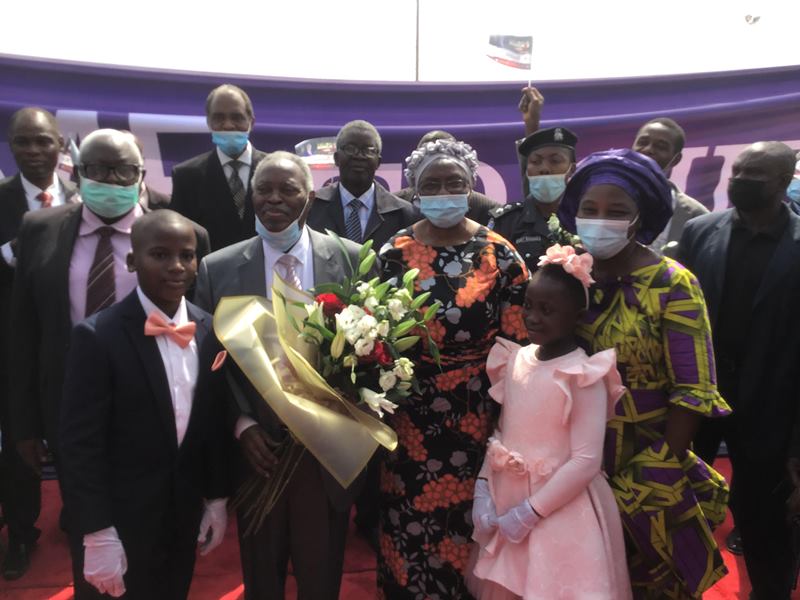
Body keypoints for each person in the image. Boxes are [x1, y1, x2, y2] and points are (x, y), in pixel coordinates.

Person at [8, 129, 210, 522]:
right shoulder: (39, 229)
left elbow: (199, 331)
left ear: (140, 175)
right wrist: (24, 424)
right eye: (98, 169)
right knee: (88, 520)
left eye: (123, 170)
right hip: (70, 402)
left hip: (158, 403)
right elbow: (23, 331)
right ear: (79, 172)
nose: (111, 180)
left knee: (155, 523)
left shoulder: (184, 234)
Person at [557, 148, 731, 599]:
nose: (600, 220)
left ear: (641, 217)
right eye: (589, 210)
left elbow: (694, 390)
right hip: (569, 458)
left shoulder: (673, 284)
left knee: (646, 580)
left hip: (647, 459)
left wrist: (656, 472)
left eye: (617, 212)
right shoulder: (567, 274)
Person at [194, 151, 366, 600]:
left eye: (286, 189)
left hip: (324, 452)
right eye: (263, 189)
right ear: (250, 196)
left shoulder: (351, 259)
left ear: (309, 196)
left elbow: (366, 353)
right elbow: (211, 365)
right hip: (258, 454)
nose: (274, 199)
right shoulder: (217, 268)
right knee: (262, 580)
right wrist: (241, 423)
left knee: (320, 576)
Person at [378, 139, 530, 599]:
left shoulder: (500, 254)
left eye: (454, 183)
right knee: (405, 522)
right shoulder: (393, 253)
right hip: (406, 418)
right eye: (432, 184)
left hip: (475, 417)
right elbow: (373, 335)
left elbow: (519, 346)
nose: (444, 191)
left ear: (470, 186)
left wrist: (512, 423)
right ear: (414, 191)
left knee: (467, 524)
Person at [60, 210, 229, 599]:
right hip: (120, 520)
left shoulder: (209, 330)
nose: (176, 266)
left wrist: (217, 498)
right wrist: (96, 530)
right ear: (133, 261)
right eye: (160, 254)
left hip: (181, 514)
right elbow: (78, 444)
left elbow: (212, 423)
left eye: (186, 255)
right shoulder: (97, 337)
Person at [469, 245, 631, 600]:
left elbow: (586, 460)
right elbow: (501, 432)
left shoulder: (583, 374)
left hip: (559, 509)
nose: (533, 318)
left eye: (548, 310)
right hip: (507, 497)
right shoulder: (514, 360)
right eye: (529, 305)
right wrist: (483, 486)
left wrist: (530, 511)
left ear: (576, 316)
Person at [678, 141, 800, 600]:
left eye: (756, 176)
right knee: (679, 510)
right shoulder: (699, 231)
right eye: (738, 172)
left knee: (764, 526)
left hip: (771, 407)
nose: (741, 182)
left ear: (786, 179)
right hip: (697, 399)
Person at [0, 107, 78, 579]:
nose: (33, 151)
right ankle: (22, 533)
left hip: (74, 346)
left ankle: (77, 512)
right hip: (14, 350)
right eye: (22, 142)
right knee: (21, 441)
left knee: (76, 434)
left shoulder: (82, 197)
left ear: (60, 146)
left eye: (42, 141)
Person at [171, 84, 266, 251]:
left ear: (252, 121)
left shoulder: (275, 170)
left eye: (237, 117)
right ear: (208, 122)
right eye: (219, 118)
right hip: (213, 274)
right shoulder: (187, 176)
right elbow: (181, 239)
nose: (228, 125)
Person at [307, 120, 418, 250]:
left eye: (368, 150)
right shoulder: (312, 207)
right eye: (350, 149)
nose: (359, 156)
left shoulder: (405, 214)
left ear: (378, 162)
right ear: (336, 158)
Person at [489, 126, 578, 272]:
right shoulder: (506, 221)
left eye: (555, 161)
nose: (544, 169)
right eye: (536, 162)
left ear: (572, 169)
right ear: (527, 170)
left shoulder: (583, 218)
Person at [631, 118, 708, 255]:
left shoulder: (696, 216)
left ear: (676, 159)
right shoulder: (602, 197)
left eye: (660, 147)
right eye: (643, 142)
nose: (648, 150)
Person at [393, 130, 500, 225]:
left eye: (454, 183)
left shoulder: (489, 210)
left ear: (471, 181)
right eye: (431, 185)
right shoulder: (394, 208)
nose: (443, 193)